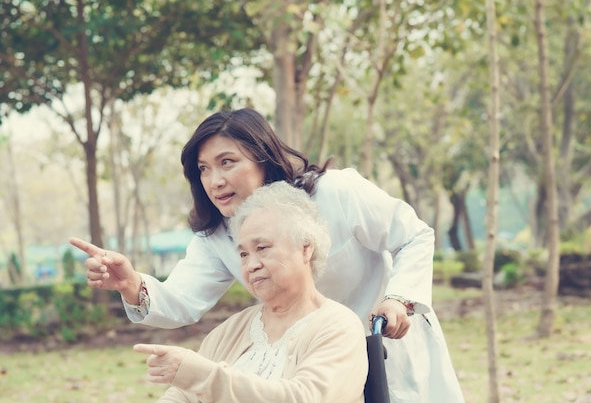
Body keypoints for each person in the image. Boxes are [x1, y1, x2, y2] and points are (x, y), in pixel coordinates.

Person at [70, 108, 465, 403]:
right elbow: (180, 302)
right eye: (203, 169)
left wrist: (399, 298)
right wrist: (130, 283)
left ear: (263, 157)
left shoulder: (336, 193)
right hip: (304, 357)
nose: (215, 180)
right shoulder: (219, 235)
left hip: (386, 338)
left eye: (228, 162)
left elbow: (414, 235)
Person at [133, 181, 368, 403]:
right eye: (244, 254)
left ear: (305, 249)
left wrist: (200, 374)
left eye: (262, 248)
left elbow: (303, 398)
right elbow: (181, 396)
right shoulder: (232, 329)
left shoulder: (339, 327)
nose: (251, 264)